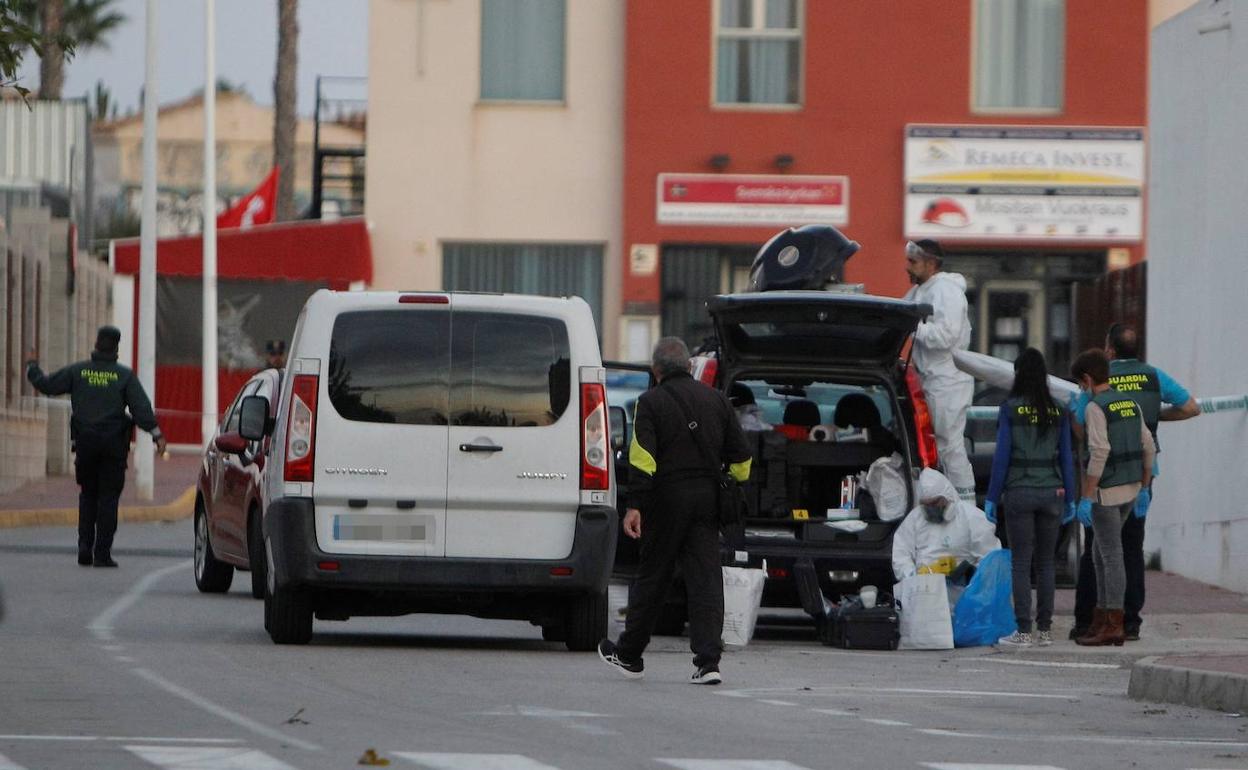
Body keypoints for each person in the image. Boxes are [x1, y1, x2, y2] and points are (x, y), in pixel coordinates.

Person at [598, 337, 753, 685]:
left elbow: (642, 459)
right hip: (708, 499)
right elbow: (743, 460)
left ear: (656, 370)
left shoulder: (650, 403)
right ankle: (708, 662)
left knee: (654, 577)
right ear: (687, 366)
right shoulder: (716, 400)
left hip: (666, 500)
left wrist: (635, 505)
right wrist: (728, 479)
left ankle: (629, 654)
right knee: (706, 581)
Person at [1070, 324, 1200, 641]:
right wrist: (1155, 417)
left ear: (1110, 350)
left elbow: (1078, 427)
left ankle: (1091, 619)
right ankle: (1130, 621)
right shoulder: (1154, 376)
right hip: (1142, 474)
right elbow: (1191, 407)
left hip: (1103, 479)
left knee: (1098, 551)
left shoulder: (1097, 377)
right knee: (1131, 548)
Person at [26, 326, 167, 568]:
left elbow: (47, 385)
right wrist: (157, 435)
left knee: (88, 495)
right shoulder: (124, 376)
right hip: (113, 447)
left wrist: (32, 367)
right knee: (108, 499)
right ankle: (102, 554)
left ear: (97, 343)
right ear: (116, 347)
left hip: (86, 444)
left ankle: (84, 547)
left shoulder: (79, 372)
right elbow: (141, 409)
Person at [983, 348, 1078, 648]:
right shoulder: (1058, 410)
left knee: (1021, 564)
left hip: (1019, 493)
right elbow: (1066, 456)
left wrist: (991, 496)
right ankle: (1045, 632)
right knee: (1047, 563)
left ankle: (1023, 632)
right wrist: (1072, 497)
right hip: (1053, 493)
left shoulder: (1010, 408)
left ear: (1019, 374)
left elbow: (1002, 457)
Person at [1070, 349, 1155, 647]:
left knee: (1110, 555)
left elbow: (1100, 451)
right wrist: (1144, 486)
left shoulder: (1096, 408)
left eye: (1081, 385)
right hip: (1131, 490)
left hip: (1106, 494)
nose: (1082, 390)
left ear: (1088, 379)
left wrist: (1087, 495)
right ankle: (1101, 616)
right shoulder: (1129, 402)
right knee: (1099, 552)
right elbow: (1149, 446)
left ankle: (1113, 623)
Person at [902, 239, 976, 501]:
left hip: (948, 381)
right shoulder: (920, 292)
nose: (907, 267)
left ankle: (967, 506)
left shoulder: (946, 290)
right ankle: (942, 501)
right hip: (930, 381)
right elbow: (899, 312)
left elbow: (945, 336)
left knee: (949, 445)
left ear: (931, 264)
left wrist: (911, 326)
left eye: (913, 262)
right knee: (933, 447)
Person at [892, 468, 1000, 581]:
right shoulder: (915, 518)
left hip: (965, 591)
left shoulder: (972, 517)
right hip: (925, 590)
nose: (931, 508)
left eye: (935, 503)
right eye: (926, 505)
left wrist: (971, 574)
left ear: (947, 496)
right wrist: (913, 576)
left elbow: (991, 558)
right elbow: (901, 554)